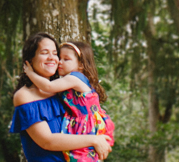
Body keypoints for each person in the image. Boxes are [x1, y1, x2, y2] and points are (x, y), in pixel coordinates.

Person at [11, 33, 111, 162]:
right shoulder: (25, 95)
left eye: (54, 53)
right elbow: (47, 141)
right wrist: (94, 140)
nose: (52, 58)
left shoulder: (64, 91)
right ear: (30, 59)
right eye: (44, 52)